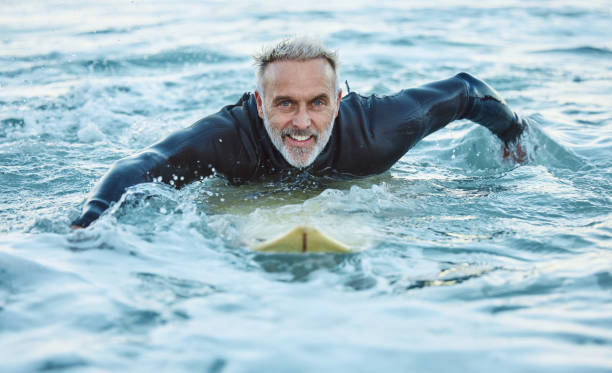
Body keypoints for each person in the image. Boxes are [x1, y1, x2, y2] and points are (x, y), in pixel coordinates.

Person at [71, 37, 526, 228]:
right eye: (285, 103)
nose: (302, 123)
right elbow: (138, 168)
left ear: (340, 101)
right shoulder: (228, 141)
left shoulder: (378, 132)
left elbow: (466, 92)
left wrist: (515, 139)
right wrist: (90, 225)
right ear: (258, 103)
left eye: (317, 103)